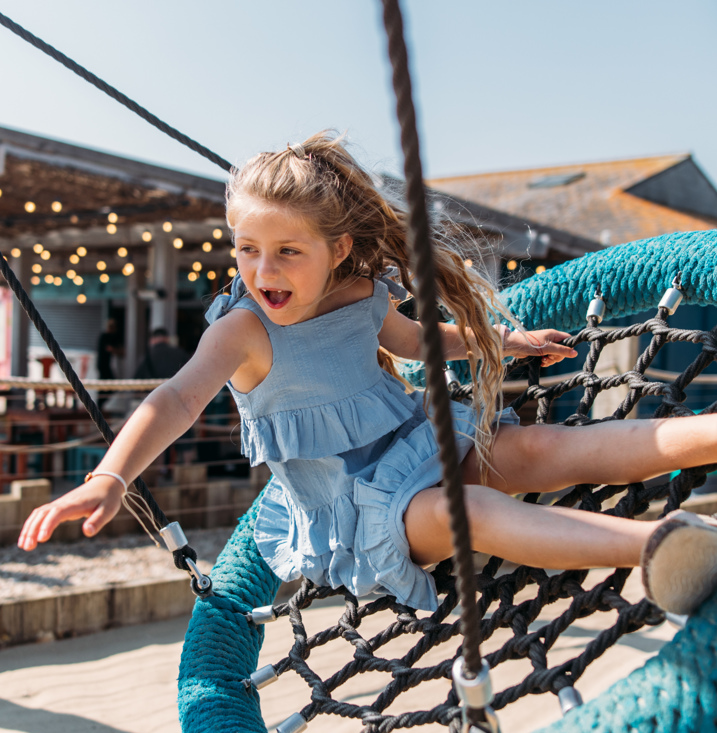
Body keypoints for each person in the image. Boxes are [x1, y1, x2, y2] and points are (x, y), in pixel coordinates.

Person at [16, 132, 717, 616]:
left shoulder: (357, 295)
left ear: (338, 248)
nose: (263, 271)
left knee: (533, 447)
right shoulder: (243, 331)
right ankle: (664, 548)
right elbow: (175, 398)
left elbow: (416, 342)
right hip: (364, 512)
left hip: (419, 446)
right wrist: (111, 475)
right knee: (464, 513)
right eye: (247, 249)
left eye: (287, 251)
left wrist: (501, 341)